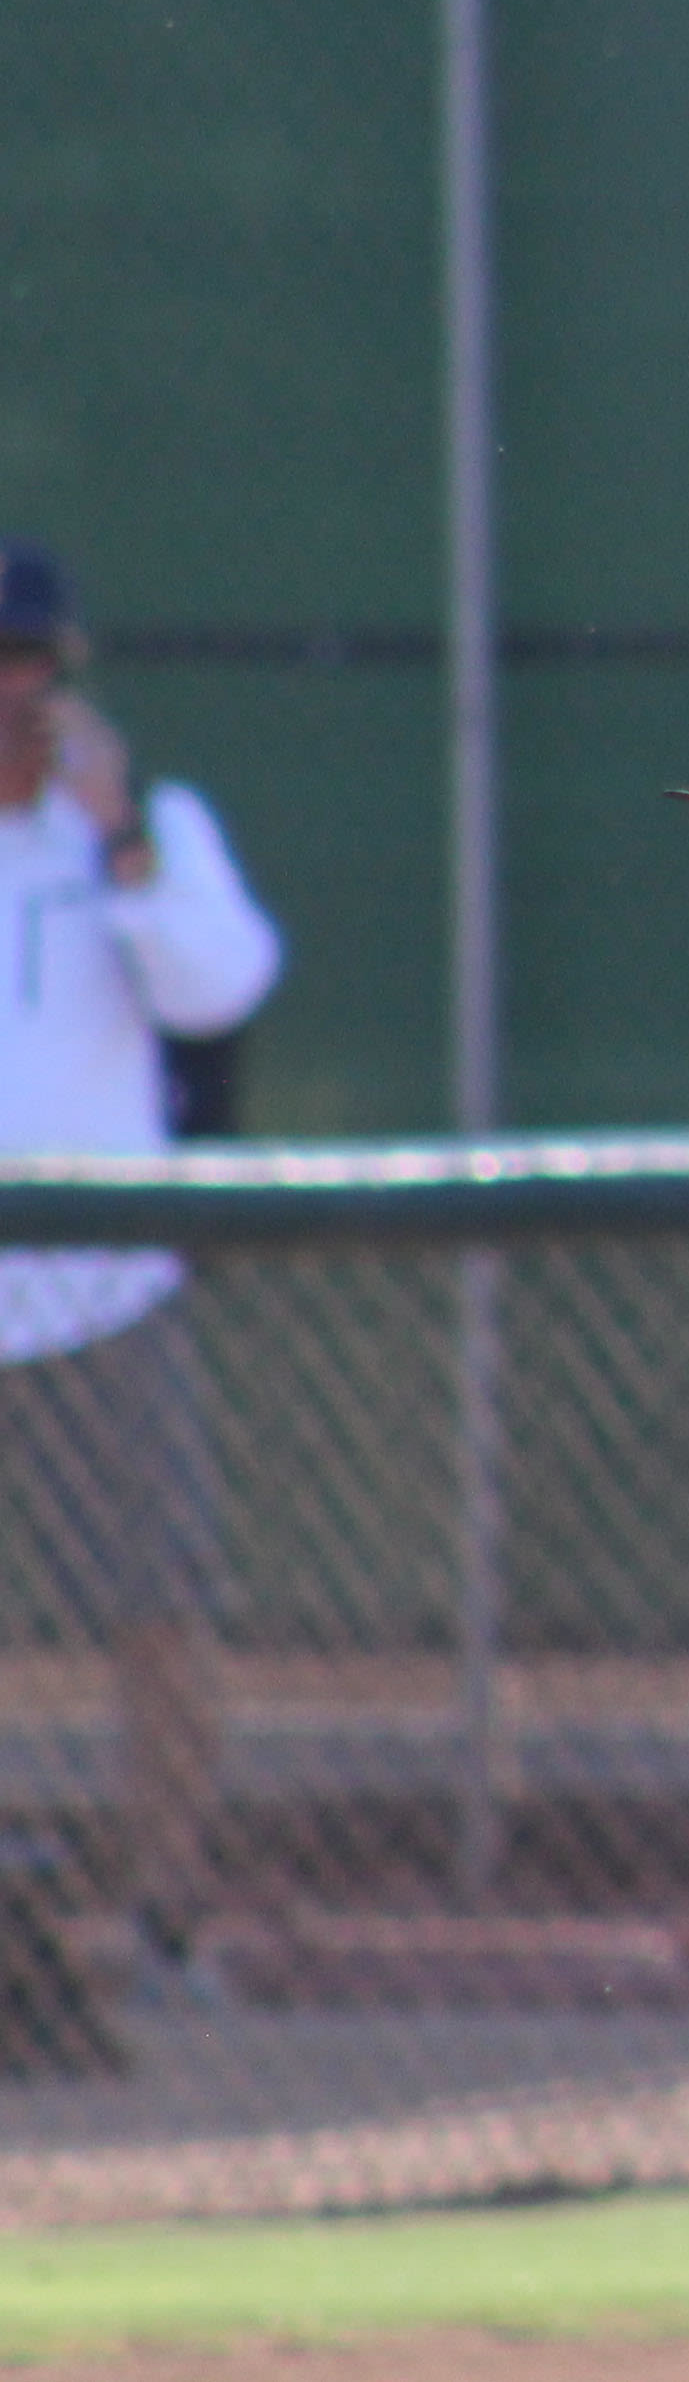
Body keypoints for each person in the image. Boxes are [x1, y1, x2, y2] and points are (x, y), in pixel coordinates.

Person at [0, 539, 282, 2007]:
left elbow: (221, 982)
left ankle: (166, 1925)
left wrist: (121, 852)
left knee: (162, 1612)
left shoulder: (149, 822)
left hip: (107, 1292)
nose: (13, 693)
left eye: (30, 661)